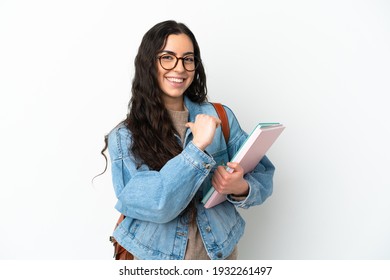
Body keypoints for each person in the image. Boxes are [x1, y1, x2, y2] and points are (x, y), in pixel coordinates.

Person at [103, 20, 275, 260]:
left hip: (221, 254)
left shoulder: (220, 116)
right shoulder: (124, 136)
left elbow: (263, 173)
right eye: (167, 57)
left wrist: (241, 188)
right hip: (156, 260)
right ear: (148, 63)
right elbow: (157, 204)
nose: (180, 68)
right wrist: (197, 148)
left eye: (188, 58)